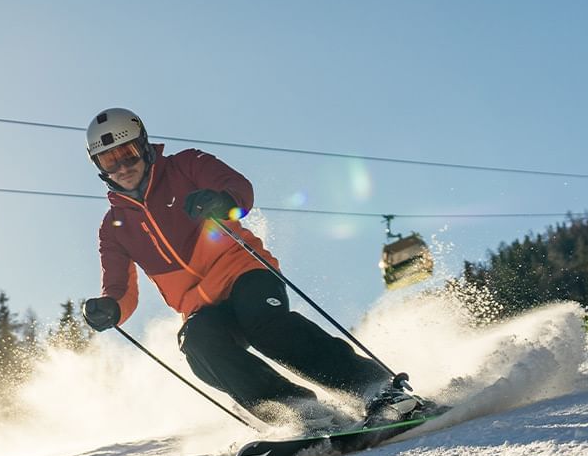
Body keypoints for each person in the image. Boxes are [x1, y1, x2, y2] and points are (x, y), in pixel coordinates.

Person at [81, 108, 426, 432]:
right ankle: (301, 413)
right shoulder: (113, 227)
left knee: (266, 326)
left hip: (244, 272)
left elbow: (237, 187)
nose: (122, 166)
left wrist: (224, 203)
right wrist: (110, 308)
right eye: (109, 161)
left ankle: (378, 388)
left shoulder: (185, 165)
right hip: (200, 307)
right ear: (99, 166)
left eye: (127, 153)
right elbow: (120, 290)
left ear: (143, 147)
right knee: (198, 346)